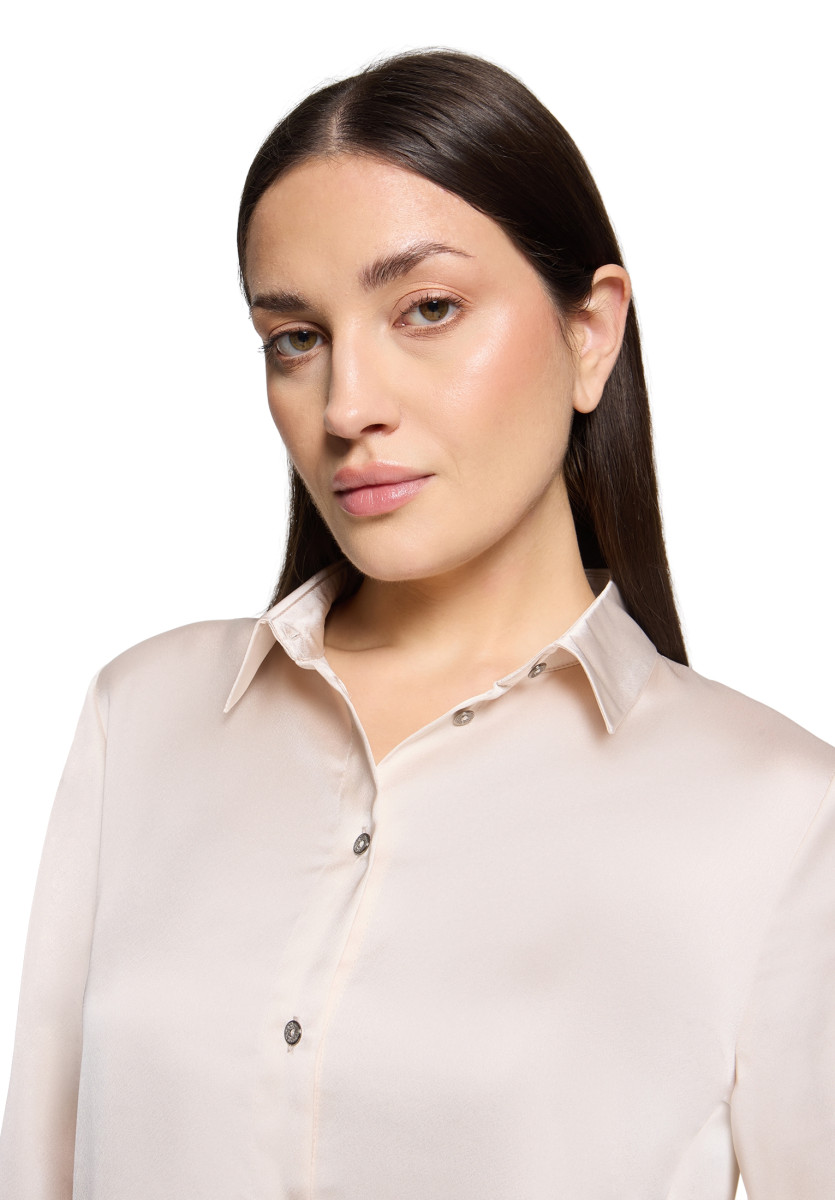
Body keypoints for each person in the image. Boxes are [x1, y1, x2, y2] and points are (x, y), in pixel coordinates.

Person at [1, 47, 833, 1200]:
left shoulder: (779, 816)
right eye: (295, 337)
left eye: (427, 309)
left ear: (590, 332)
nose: (348, 407)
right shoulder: (142, 718)